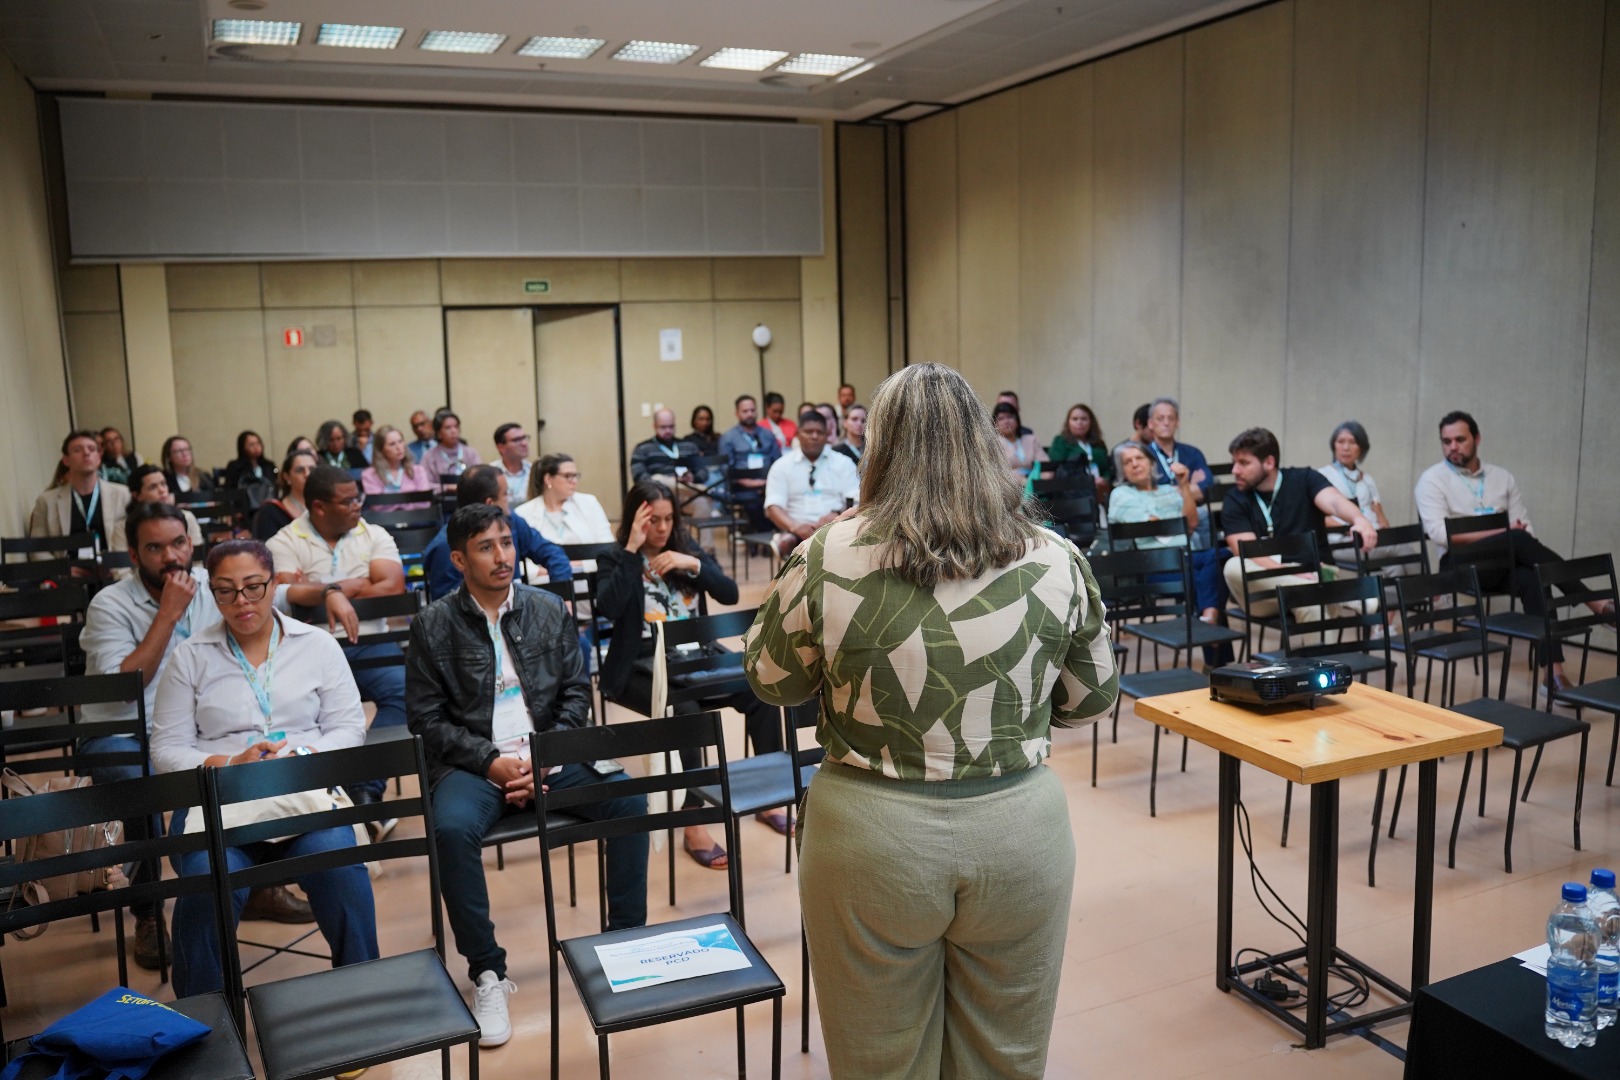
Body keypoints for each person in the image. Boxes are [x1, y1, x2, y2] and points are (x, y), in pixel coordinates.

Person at [742, 362, 1118, 1080]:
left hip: (870, 837)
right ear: (984, 443)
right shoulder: (1057, 558)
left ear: (877, 448)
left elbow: (772, 682)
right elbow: (1090, 700)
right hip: (1017, 832)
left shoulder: (826, 555)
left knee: (878, 1058)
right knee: (1005, 1055)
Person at [407, 504, 649, 1048]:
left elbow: (575, 693)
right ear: (458, 560)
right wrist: (489, 761)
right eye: (486, 547)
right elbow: (425, 719)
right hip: (476, 766)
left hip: (549, 757)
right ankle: (487, 973)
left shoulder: (547, 608)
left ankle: (626, 948)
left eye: (506, 543)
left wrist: (547, 754)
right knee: (450, 830)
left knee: (630, 801)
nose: (502, 556)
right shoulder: (432, 624)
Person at [86, 503, 356, 966]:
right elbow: (128, 701)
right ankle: (154, 920)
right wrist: (169, 614)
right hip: (146, 741)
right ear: (133, 554)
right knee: (148, 790)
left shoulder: (230, 587)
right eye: (155, 547)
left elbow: (277, 588)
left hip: (282, 778)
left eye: (178, 543)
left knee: (338, 864)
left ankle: (360, 981)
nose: (241, 601)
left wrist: (331, 591)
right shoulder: (121, 609)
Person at [150, 538, 378, 998]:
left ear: (275, 584)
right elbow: (166, 748)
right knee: (207, 880)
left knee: (338, 864)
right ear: (212, 593)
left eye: (254, 586)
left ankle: (362, 998)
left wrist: (300, 757)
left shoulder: (316, 645)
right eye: (226, 590)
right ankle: (205, 1015)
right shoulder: (190, 655)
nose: (242, 601)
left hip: (303, 796)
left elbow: (348, 727)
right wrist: (227, 763)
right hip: (221, 802)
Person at [598, 480, 791, 863]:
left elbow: (729, 594)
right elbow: (609, 607)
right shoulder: (615, 557)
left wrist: (694, 564)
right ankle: (694, 818)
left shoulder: (685, 551)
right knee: (686, 710)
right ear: (636, 519)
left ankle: (770, 796)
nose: (662, 528)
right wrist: (632, 550)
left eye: (669, 519)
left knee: (759, 689)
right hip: (638, 664)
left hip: (694, 658)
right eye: (653, 520)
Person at [1414, 410, 1615, 690]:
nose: (1453, 447)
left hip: (1503, 562)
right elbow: (1438, 533)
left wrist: (1510, 534)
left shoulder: (1502, 477)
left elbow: (1526, 528)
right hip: (1459, 566)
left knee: (1535, 577)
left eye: (1460, 439)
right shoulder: (1432, 479)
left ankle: (1553, 674)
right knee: (1517, 539)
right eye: (1446, 442)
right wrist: (1503, 532)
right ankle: (1593, 601)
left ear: (1477, 439)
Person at [266, 465, 408, 817]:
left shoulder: (374, 534)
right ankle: (326, 798)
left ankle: (364, 787)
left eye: (358, 498)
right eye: (347, 502)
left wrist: (323, 589)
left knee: (407, 694)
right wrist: (359, 582)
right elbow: (284, 595)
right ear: (319, 507)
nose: (357, 506)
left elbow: (393, 586)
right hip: (307, 651)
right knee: (303, 712)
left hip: (369, 642)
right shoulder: (283, 542)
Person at [1221, 427, 1378, 621]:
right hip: (1264, 590)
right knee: (1234, 566)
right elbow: (1247, 550)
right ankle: (1336, 594)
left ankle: (1319, 595)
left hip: (1315, 573)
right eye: (1234, 462)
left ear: (1269, 462)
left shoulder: (1304, 479)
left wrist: (1359, 519)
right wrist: (1293, 574)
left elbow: (1334, 502)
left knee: (1308, 601)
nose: (1235, 471)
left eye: (1243, 463)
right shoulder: (1234, 499)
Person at [1109, 444, 1225, 620]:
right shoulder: (1121, 494)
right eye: (1127, 462)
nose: (1135, 464)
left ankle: (1208, 618)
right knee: (1209, 578)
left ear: (1151, 463)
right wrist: (1178, 522)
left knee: (1223, 556)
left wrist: (1184, 485)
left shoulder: (1170, 490)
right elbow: (1155, 526)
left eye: (1139, 458)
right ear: (1122, 470)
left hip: (1188, 556)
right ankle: (1210, 620)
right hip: (1156, 565)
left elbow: (1191, 523)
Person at [422, 464, 571, 599]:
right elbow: (446, 608)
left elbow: (553, 554)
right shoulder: (445, 547)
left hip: (517, 612)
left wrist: (562, 598)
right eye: (505, 494)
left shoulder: (511, 522)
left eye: (506, 543)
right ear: (490, 503)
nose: (502, 558)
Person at [765, 410, 859, 558]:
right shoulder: (782, 466)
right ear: (797, 434)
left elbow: (856, 501)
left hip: (835, 529)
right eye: (808, 432)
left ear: (827, 435)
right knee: (794, 541)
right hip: (796, 530)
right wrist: (794, 526)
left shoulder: (843, 463)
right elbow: (773, 506)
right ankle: (791, 542)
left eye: (819, 432)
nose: (814, 436)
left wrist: (837, 515)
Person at [28, 430, 131, 556]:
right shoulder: (46, 501)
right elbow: (37, 549)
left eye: (91, 449)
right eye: (77, 450)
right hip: (65, 567)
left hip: (113, 566)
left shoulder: (122, 495)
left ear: (98, 458)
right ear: (66, 460)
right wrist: (61, 566)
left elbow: (133, 541)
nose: (86, 453)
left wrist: (115, 564)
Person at [1144, 397, 1214, 545]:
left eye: (1171, 418)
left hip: (1191, 512)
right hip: (1158, 514)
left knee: (1202, 515)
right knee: (1195, 534)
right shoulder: (1143, 456)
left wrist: (1164, 491)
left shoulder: (1192, 453)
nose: (1166, 423)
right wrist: (1187, 486)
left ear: (1177, 422)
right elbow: (1145, 494)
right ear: (1150, 423)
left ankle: (1207, 555)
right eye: (1160, 418)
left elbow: (1205, 488)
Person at [516, 454, 614, 547]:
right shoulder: (523, 513)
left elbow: (607, 544)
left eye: (575, 476)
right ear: (548, 479)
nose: (574, 481)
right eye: (568, 476)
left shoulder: (589, 503)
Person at [717, 394, 781, 532]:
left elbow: (778, 462)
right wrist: (748, 482)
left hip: (769, 483)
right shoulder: (728, 437)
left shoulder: (767, 434)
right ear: (737, 413)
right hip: (741, 487)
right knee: (754, 501)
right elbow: (725, 469)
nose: (750, 414)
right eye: (745, 411)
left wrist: (768, 481)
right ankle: (765, 534)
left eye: (752, 410)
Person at [124, 464, 205, 549]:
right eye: (153, 487)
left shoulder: (187, 517)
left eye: (163, 484)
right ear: (136, 495)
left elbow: (197, 555)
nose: (162, 490)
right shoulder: (123, 526)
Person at [1050, 403, 1115, 497]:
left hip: (1098, 491)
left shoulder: (1098, 443)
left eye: (1084, 419)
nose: (1079, 422)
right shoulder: (1060, 441)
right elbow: (1057, 466)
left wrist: (1104, 480)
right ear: (1068, 423)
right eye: (1075, 419)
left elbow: (1107, 468)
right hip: (1071, 493)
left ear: (1091, 422)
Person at [251, 447, 317, 541]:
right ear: (287, 477)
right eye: (300, 470)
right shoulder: (271, 511)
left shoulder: (327, 507)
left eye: (312, 469)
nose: (307, 474)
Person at [630, 408, 705, 488]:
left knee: (704, 490)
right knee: (657, 478)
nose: (668, 431)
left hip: (687, 488)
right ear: (654, 426)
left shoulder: (689, 447)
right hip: (658, 489)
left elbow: (703, 471)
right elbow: (638, 476)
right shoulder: (642, 448)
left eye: (671, 426)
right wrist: (665, 482)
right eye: (663, 427)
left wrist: (693, 478)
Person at [361, 424, 433, 505]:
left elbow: (425, 503)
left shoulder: (418, 471)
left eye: (400, 441)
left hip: (417, 513)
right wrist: (408, 502)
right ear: (381, 450)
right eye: (392, 444)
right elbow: (377, 506)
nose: (399, 447)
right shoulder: (370, 475)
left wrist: (394, 503)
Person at [421, 410, 481, 490]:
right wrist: (447, 488)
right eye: (448, 428)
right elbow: (425, 484)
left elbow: (480, 480)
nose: (453, 431)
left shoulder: (470, 453)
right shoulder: (429, 456)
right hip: (441, 496)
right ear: (438, 433)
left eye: (456, 427)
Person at [222, 430, 276, 508]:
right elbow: (229, 491)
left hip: (268, 505)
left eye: (258, 443)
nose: (256, 447)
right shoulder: (235, 466)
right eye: (251, 444)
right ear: (243, 447)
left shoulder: (269, 465)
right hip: (245, 507)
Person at [993, 401, 1046, 478]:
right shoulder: (993, 443)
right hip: (1007, 483)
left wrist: (1034, 479)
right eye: (1001, 418)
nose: (1006, 421)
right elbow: (994, 472)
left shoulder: (1031, 440)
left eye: (1009, 417)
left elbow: (1045, 465)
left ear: (1017, 420)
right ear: (995, 424)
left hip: (1034, 481)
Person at [490, 423, 533, 507]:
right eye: (516, 440)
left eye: (524, 438)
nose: (524, 443)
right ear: (501, 447)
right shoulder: (490, 473)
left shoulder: (533, 471)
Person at [1110, 403, 1152, 483]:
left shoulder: (1156, 448)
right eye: (1151, 430)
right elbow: (1119, 481)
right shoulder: (1120, 450)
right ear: (1138, 424)